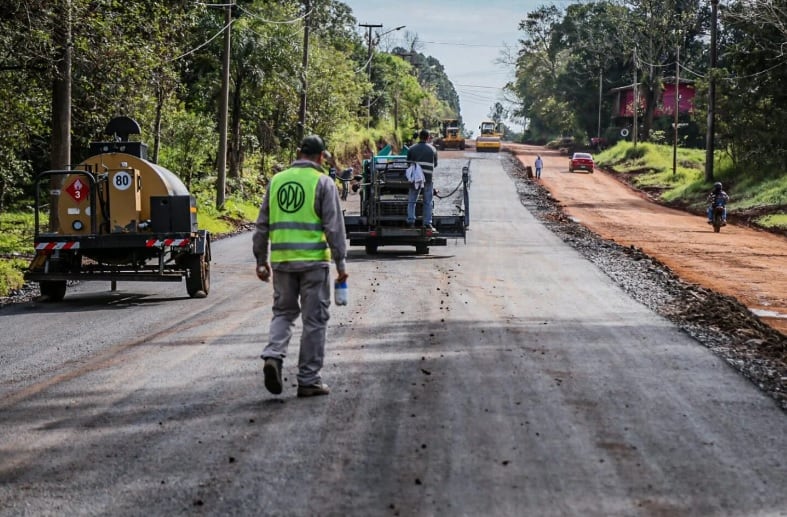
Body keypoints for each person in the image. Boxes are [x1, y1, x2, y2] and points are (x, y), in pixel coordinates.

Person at [253, 134, 348, 398]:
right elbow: (333, 227)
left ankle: (273, 355)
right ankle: (308, 380)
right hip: (313, 264)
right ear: (321, 157)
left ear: (297, 153)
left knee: (283, 313)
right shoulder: (323, 183)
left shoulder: (277, 181)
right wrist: (340, 262)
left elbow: (262, 225)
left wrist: (261, 260)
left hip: (282, 262)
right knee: (314, 320)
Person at [406, 129, 438, 229]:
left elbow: (408, 163)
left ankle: (411, 221)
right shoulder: (432, 149)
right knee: (427, 201)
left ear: (419, 137)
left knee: (412, 200)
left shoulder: (411, 149)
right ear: (428, 138)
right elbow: (435, 164)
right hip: (428, 179)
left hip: (415, 179)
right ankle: (427, 222)